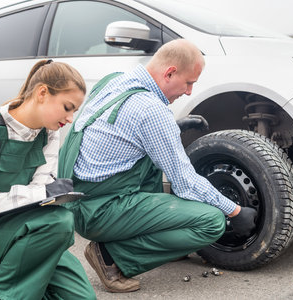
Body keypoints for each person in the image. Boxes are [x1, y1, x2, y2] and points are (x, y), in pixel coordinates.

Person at [58, 39, 257, 293]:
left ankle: (159, 239)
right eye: (188, 83)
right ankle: (111, 256)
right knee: (212, 222)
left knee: (153, 159)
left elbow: (125, 134)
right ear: (169, 72)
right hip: (99, 211)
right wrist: (235, 211)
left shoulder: (115, 80)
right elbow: (185, 183)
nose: (189, 92)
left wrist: (171, 129)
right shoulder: (150, 110)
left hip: (76, 198)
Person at [0, 60, 96, 300]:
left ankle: (1, 278)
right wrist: (43, 194)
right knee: (60, 221)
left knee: (80, 297)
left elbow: (39, 194)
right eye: (67, 107)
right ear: (42, 93)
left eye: (74, 111)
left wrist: (44, 194)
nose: (70, 117)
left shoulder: (50, 134)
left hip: (26, 228)